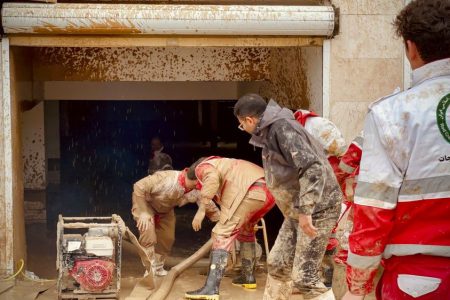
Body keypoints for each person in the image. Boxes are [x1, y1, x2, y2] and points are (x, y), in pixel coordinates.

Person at [343, 1, 450, 299]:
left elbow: (374, 210)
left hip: (418, 280)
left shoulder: (392, 114)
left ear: (410, 48)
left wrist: (357, 288)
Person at [234, 94, 342, 300]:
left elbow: (312, 167)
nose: (243, 129)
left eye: (241, 125)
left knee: (304, 277)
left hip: (318, 208)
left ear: (249, 120)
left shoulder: (282, 128)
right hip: (298, 210)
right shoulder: (271, 130)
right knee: (278, 264)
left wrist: (306, 210)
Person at [184, 156, 276, 300]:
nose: (196, 189)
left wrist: (202, 209)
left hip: (251, 191)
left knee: (221, 234)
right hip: (268, 192)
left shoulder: (202, 167)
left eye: (194, 186)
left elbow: (212, 180)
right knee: (246, 231)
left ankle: (211, 289)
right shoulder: (224, 164)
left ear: (195, 177)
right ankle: (248, 278)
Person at [132, 169, 220, 276]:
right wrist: (143, 212)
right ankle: (149, 269)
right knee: (148, 234)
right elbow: (138, 186)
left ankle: (158, 267)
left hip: (166, 208)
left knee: (167, 237)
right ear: (196, 181)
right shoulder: (167, 179)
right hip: (145, 204)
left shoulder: (196, 189)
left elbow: (208, 204)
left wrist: (222, 222)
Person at [294, 108, 347, 286]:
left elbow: (341, 152)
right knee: (314, 231)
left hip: (330, 185)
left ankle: (327, 277)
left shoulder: (317, 125)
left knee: (325, 231)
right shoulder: (294, 130)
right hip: (315, 187)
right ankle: (317, 277)